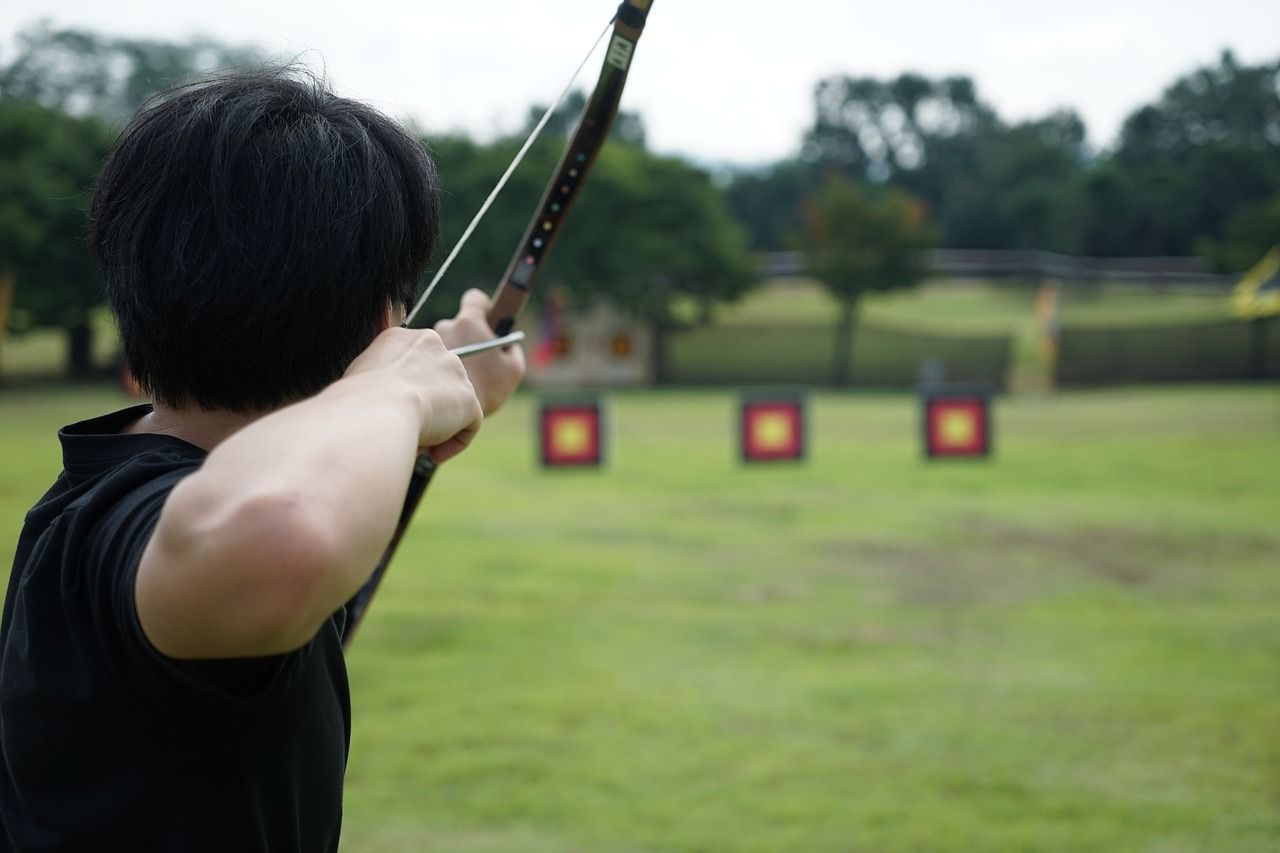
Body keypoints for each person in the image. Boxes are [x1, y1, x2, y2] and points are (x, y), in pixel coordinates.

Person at [0, 67, 525, 850]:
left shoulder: (106, 489)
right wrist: (395, 391)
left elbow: (315, 498)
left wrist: (421, 413)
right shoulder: (133, 522)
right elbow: (284, 529)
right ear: (382, 323)